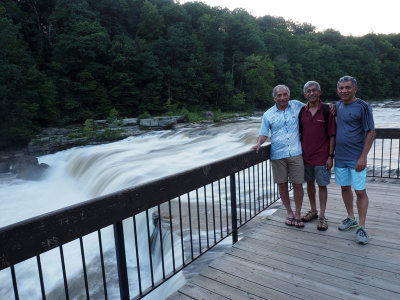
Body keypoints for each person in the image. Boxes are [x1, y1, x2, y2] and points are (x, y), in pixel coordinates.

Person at [252, 84, 305, 228]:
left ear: (289, 95)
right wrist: (259, 143)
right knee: (281, 184)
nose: (282, 98)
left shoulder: (297, 105)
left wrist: (329, 106)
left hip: (296, 152)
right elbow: (264, 133)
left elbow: (313, 107)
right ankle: (289, 212)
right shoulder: (268, 114)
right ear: (274, 97)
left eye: (285, 94)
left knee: (298, 184)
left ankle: (298, 213)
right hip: (277, 154)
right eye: (279, 95)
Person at [335, 76, 375, 244]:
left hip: (356, 158)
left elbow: (371, 132)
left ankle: (362, 227)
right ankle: (351, 218)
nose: (344, 90)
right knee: (345, 188)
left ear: (355, 89)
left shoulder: (363, 107)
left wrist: (363, 157)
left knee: (360, 191)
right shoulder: (337, 106)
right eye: (341, 88)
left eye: (348, 87)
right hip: (340, 157)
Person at [299, 81, 336, 231]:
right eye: (308, 91)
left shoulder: (327, 110)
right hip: (306, 156)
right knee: (309, 184)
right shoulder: (302, 111)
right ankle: (313, 211)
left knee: (322, 186)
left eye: (314, 90)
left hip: (322, 156)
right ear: (305, 95)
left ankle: (322, 216)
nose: (312, 93)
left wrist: (330, 156)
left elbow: (332, 135)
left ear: (319, 92)